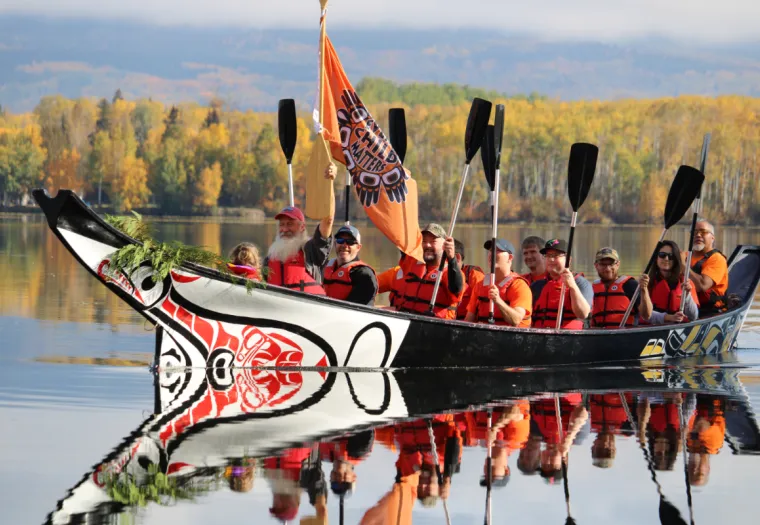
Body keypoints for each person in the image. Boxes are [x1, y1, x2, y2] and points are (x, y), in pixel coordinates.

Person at [264, 164, 337, 295]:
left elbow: (328, 220)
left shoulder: (311, 249)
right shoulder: (271, 256)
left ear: (302, 227)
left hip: (308, 309)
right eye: (282, 224)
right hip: (276, 308)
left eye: (290, 224)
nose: (284, 229)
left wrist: (330, 183)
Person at [397, 223, 464, 319]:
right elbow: (402, 239)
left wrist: (451, 258)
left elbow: (456, 289)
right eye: (424, 241)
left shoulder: (449, 272)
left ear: (444, 244)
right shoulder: (412, 263)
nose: (428, 245)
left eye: (433, 241)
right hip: (407, 320)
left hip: (435, 327)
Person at [464, 239, 532, 327]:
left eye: (497, 250)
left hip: (511, 338)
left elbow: (516, 320)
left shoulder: (519, 286)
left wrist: (498, 300)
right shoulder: (480, 285)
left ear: (510, 258)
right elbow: (469, 319)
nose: (492, 254)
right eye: (491, 250)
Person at [530, 239, 592, 330]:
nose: (551, 259)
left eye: (555, 256)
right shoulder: (537, 286)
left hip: (570, 338)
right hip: (540, 337)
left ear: (568, 260)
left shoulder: (581, 283)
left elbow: (583, 314)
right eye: (548, 255)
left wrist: (572, 286)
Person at [639, 240, 699, 324]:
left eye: (671, 256)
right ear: (656, 258)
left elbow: (693, 316)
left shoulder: (685, 282)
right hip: (652, 327)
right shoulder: (646, 282)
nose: (666, 259)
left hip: (678, 327)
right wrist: (668, 317)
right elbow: (643, 315)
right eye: (662, 255)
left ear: (676, 259)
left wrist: (687, 295)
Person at [323, 225, 378, 305]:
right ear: (335, 244)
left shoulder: (364, 274)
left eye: (350, 242)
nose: (344, 245)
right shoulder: (325, 266)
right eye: (340, 240)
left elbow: (356, 310)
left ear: (358, 247)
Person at [685, 219, 729, 316]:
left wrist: (683, 266)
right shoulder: (684, 256)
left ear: (712, 237)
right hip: (683, 308)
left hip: (709, 311)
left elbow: (702, 285)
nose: (698, 235)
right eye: (694, 232)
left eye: (703, 232)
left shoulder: (717, 259)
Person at [590, 247, 640, 328]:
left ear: (618, 264)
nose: (608, 269)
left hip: (625, 335)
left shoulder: (630, 285)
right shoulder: (591, 288)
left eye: (611, 264)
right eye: (603, 264)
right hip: (597, 335)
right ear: (596, 265)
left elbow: (646, 315)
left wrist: (644, 290)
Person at [454, 239, 485, 320]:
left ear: (457, 258)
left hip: (466, 324)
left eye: (445, 259)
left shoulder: (474, 275)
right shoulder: (439, 274)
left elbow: (483, 304)